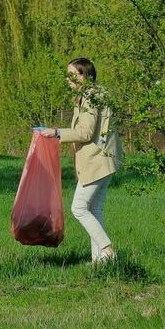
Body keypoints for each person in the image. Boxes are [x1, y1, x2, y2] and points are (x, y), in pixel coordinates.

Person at [36, 57, 121, 265]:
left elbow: (85, 132)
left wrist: (56, 133)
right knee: (94, 209)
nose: (69, 80)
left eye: (73, 75)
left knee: (79, 208)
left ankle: (107, 250)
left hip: (97, 162)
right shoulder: (89, 96)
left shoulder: (90, 98)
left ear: (86, 76)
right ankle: (100, 261)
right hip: (105, 161)